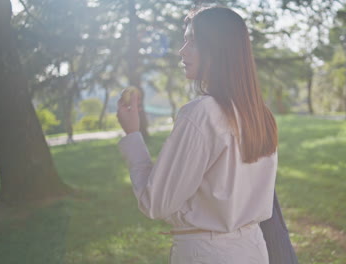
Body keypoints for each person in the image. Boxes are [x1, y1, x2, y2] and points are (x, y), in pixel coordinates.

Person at [117, 6, 297, 263]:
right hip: (254, 249)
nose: (182, 51)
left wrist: (132, 135)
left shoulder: (201, 113)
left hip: (207, 254)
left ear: (217, 49)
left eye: (193, 41)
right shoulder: (261, 115)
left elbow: (156, 202)